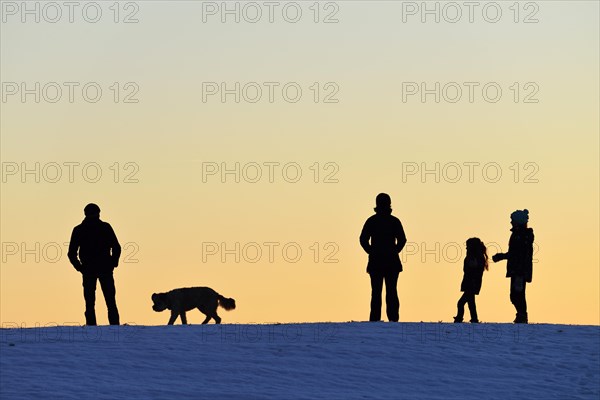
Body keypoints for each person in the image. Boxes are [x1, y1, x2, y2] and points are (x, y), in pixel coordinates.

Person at [68, 203, 121, 325]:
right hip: (97, 269)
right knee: (108, 302)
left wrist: (80, 267)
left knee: (93, 302)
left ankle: (94, 328)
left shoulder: (80, 229)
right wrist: (113, 263)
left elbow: (71, 253)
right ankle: (113, 328)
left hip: (95, 269)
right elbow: (116, 247)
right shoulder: (102, 227)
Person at [359, 193, 407, 322]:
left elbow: (363, 239)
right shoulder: (393, 221)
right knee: (390, 291)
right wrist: (394, 251)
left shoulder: (372, 221)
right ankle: (393, 319)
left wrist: (371, 251)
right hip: (388, 262)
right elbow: (402, 240)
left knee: (377, 292)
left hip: (378, 262)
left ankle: (376, 320)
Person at [492, 209, 534, 324]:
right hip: (516, 269)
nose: (511, 222)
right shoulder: (518, 235)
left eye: (512, 220)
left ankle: (522, 316)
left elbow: (517, 253)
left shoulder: (522, 236)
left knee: (517, 294)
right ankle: (521, 315)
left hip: (520, 270)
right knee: (515, 295)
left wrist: (502, 256)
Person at [454, 238, 488, 323]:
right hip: (471, 283)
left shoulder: (475, 257)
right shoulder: (477, 257)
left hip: (471, 284)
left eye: (467, 246)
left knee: (461, 303)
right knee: (471, 303)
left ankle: (459, 319)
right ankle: (474, 319)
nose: (466, 248)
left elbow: (472, 270)